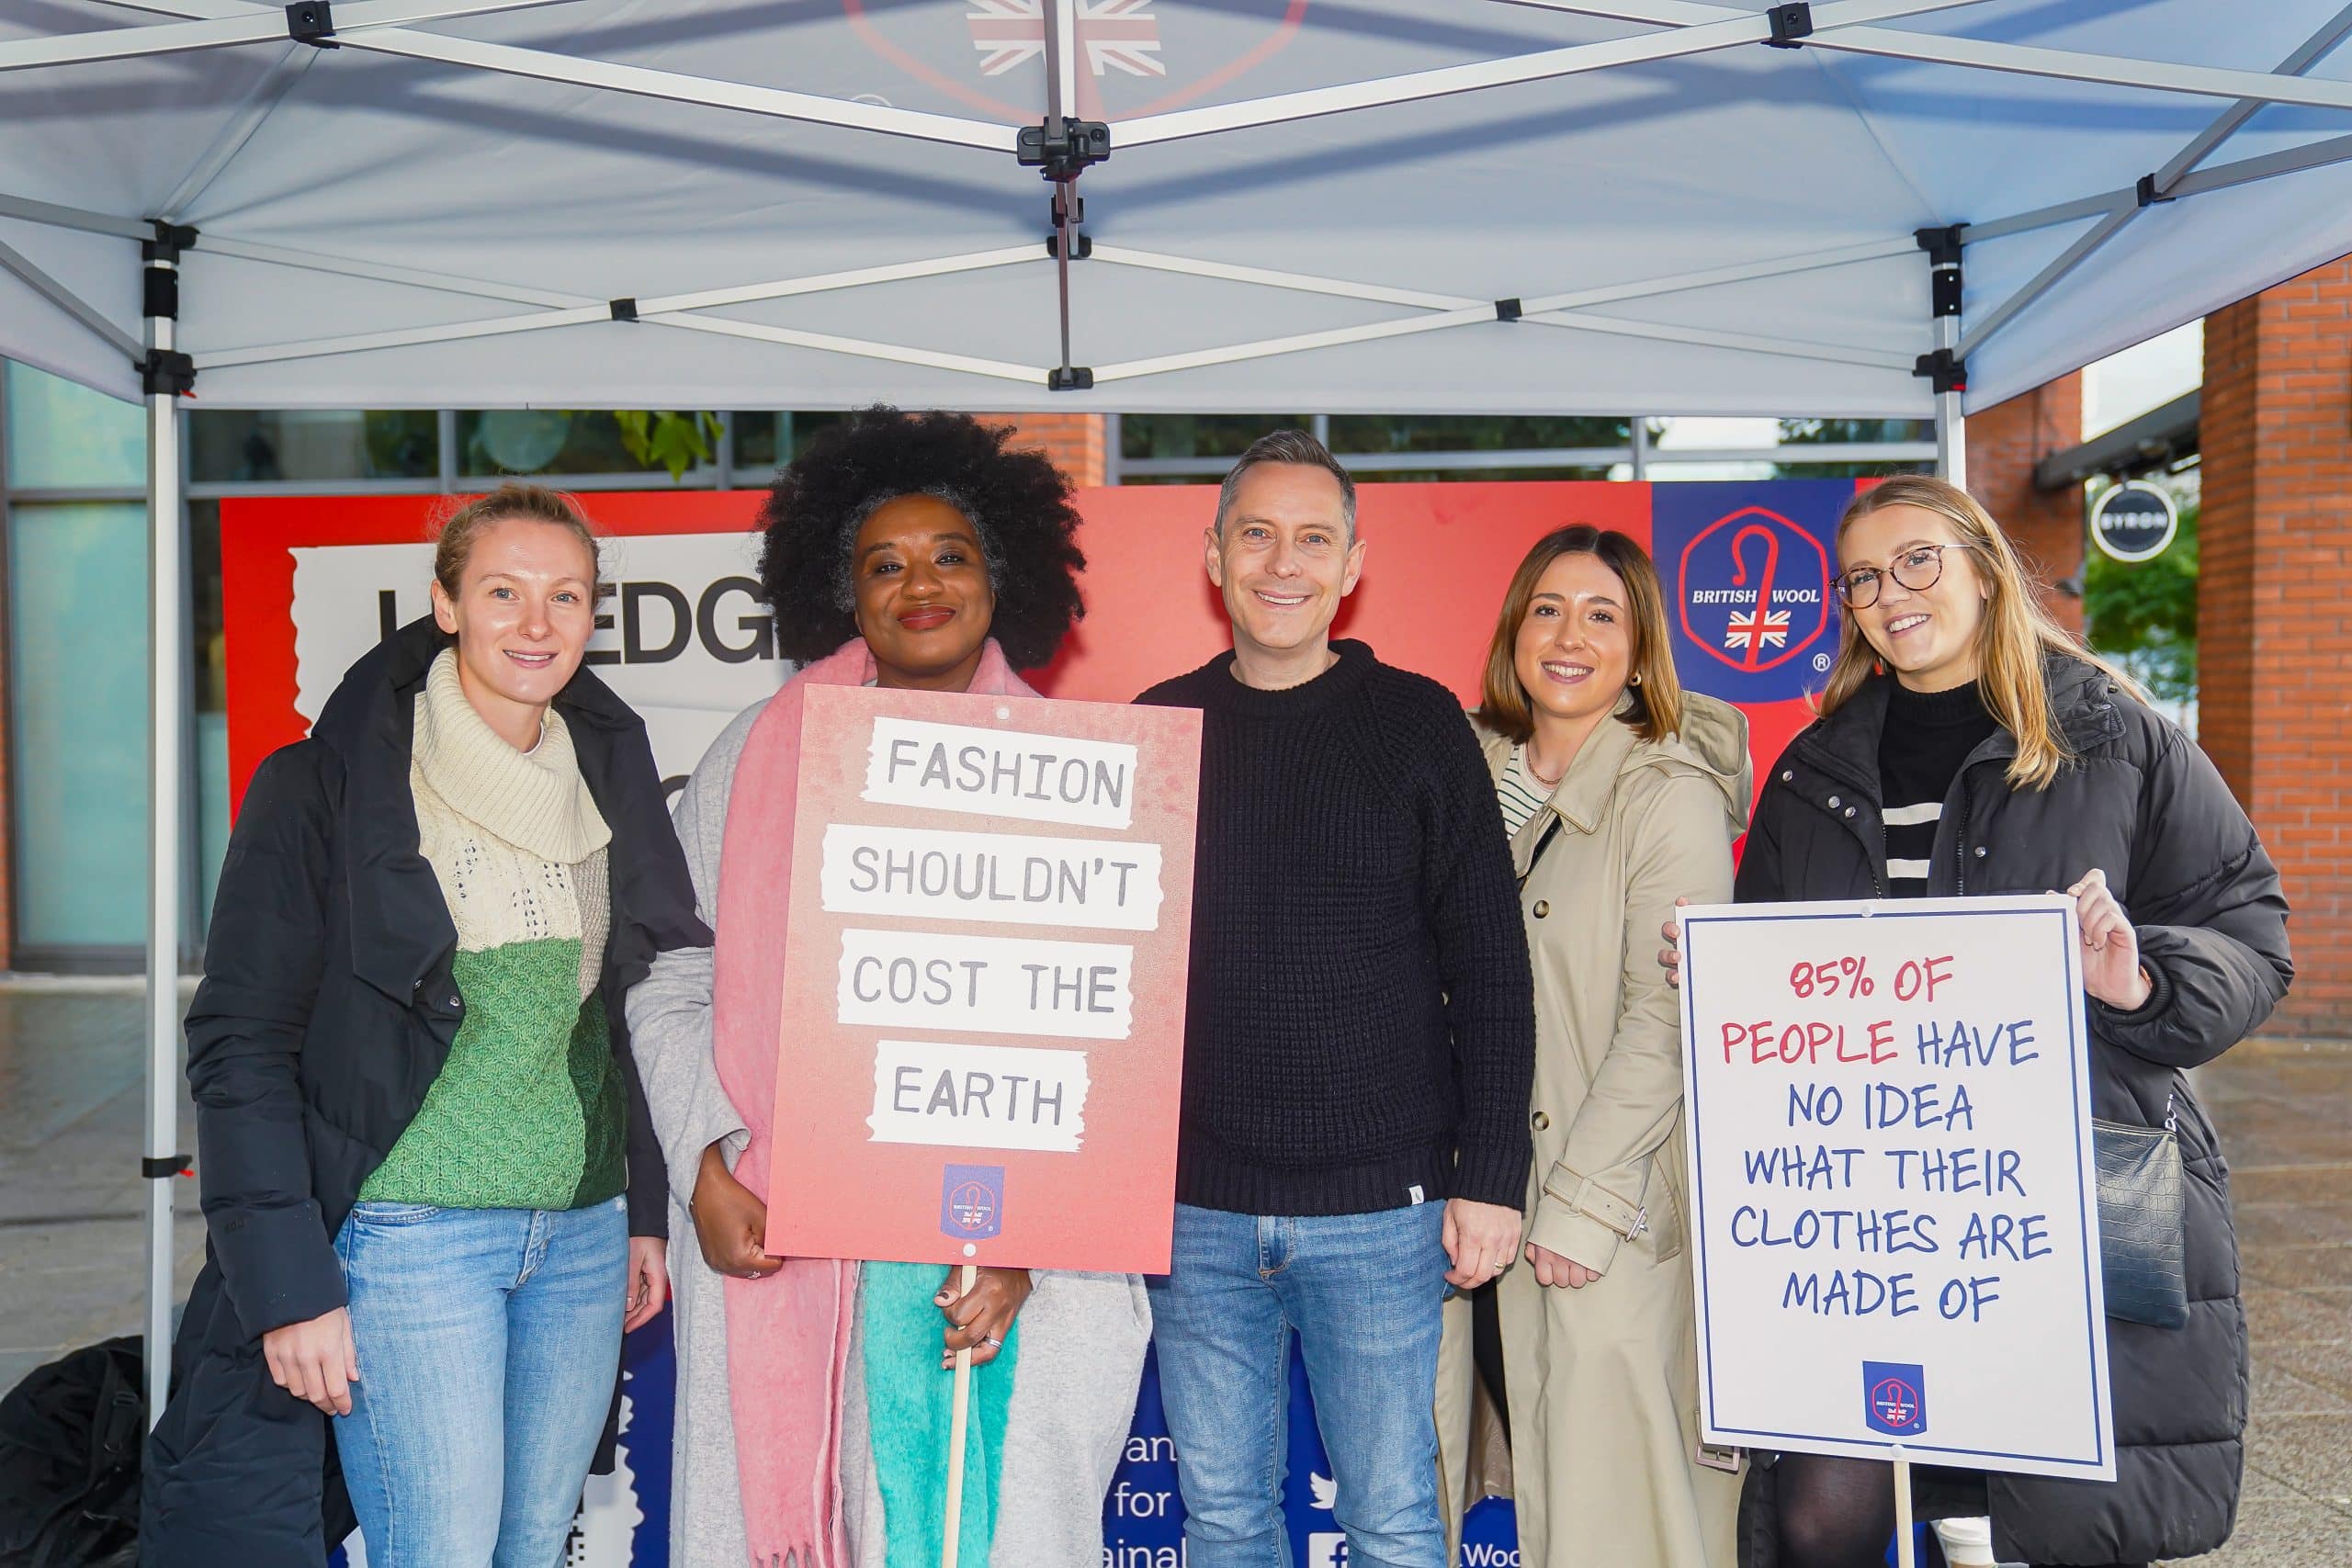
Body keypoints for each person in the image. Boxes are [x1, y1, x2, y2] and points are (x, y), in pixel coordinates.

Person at [1668, 475, 2290, 1568]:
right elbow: (1772, 962)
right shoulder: (1815, 769)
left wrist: (2137, 980)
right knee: (1822, 1507)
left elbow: (2251, 931)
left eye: (1917, 561)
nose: (1888, 594)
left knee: (2049, 1526)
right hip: (1858, 1211)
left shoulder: (2116, 739)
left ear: (1983, 567)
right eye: (1862, 577)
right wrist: (1721, 977)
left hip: (2058, 1202)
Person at [625, 405, 1150, 1568]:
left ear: (998, 578)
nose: (921, 583)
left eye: (949, 555)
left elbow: (1114, 1040)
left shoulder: (1076, 778)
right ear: (842, 592)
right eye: (885, 563)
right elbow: (676, 977)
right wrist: (703, 1159)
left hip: (1005, 1281)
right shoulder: (754, 758)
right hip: (791, 1246)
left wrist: (1034, 1240)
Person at [143, 484, 706, 1567]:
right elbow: (239, 1043)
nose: (535, 625)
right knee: (436, 1550)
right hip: (410, 1243)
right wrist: (289, 1291)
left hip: (580, 1238)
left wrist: (640, 1210)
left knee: (535, 1544)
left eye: (565, 596)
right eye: (502, 591)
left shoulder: (607, 780)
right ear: (444, 604)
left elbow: (619, 1024)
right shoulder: (328, 784)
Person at [1135, 429, 1536, 1568]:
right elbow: (1104, 977)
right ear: (1213, 556)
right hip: (1190, 1214)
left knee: (1397, 1522)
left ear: (1352, 564)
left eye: (1312, 538)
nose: (1282, 562)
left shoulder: (1420, 727)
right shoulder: (1151, 731)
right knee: (1221, 1522)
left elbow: (1493, 972)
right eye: (1255, 533)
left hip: (1386, 1214)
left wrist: (1491, 1178)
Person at [1441, 525, 1750, 1567]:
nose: (1569, 636)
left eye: (1601, 614)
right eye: (1547, 609)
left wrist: (1580, 1205)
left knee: (1615, 1521)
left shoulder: (1668, 792)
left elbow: (1665, 1021)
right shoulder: (1462, 775)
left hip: (1597, 1216)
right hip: (1463, 1204)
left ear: (1641, 645)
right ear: (1513, 630)